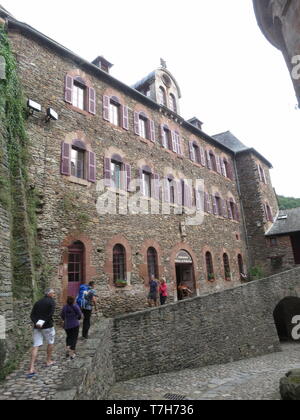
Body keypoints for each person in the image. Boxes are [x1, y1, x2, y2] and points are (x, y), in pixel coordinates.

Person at [27, 288, 56, 378]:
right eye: (53, 293)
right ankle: (48, 360)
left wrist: (37, 323)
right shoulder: (51, 302)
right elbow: (50, 315)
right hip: (47, 326)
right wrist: (43, 322)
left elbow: (32, 315)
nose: (54, 294)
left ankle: (31, 368)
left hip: (37, 327)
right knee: (50, 343)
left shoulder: (38, 302)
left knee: (36, 345)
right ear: (49, 294)